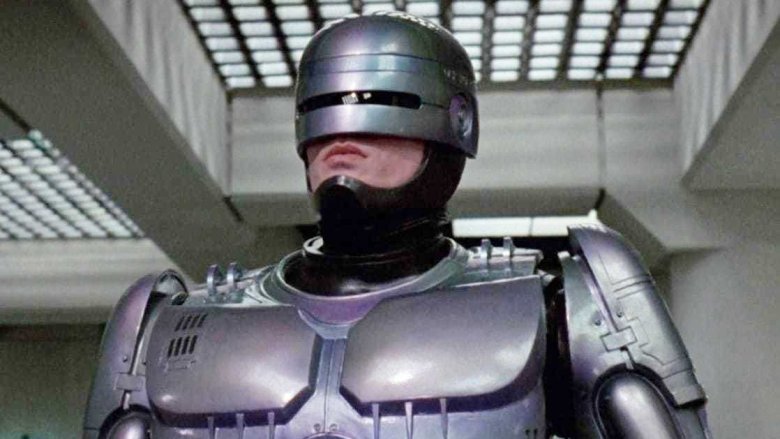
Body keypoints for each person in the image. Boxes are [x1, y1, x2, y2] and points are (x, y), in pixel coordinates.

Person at [83, 12, 711, 438]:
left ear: (451, 127)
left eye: (384, 107)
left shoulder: (564, 303)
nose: (343, 137)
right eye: (324, 112)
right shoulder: (163, 323)